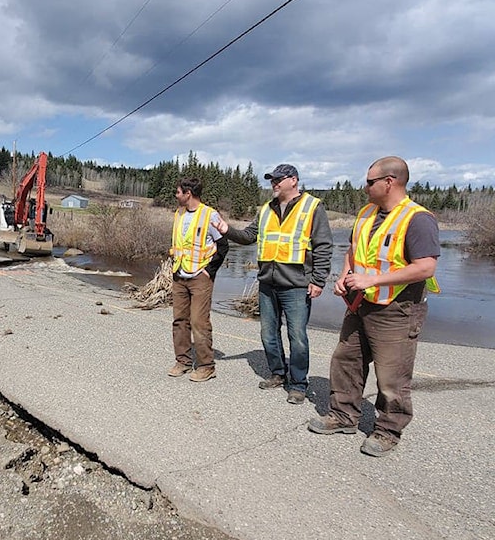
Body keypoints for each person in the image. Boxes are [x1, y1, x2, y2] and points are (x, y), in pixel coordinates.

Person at [308, 156, 440, 457]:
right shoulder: (367, 212)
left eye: (370, 182)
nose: (365, 187)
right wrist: (345, 276)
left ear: (389, 182)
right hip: (361, 304)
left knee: (392, 376)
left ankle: (388, 430)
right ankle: (343, 416)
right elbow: (355, 249)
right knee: (346, 360)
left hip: (398, 309)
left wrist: (374, 280)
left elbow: (425, 267)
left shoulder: (418, 219)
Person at [214, 164, 332, 403]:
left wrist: (318, 280)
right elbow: (249, 237)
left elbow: (323, 246)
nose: (274, 184)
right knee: (268, 333)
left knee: (297, 337)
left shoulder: (312, 207)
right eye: (271, 180)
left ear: (294, 181)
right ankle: (278, 373)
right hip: (268, 282)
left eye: (278, 179)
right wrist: (227, 230)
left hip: (297, 284)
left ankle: (298, 384)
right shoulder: (267, 209)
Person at [168, 177, 229, 382]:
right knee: (179, 320)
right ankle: (183, 361)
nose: (175, 195)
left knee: (199, 322)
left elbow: (223, 246)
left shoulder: (209, 215)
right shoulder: (179, 213)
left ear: (188, 194)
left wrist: (210, 271)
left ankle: (206, 366)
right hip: (179, 274)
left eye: (178, 192)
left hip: (200, 277)